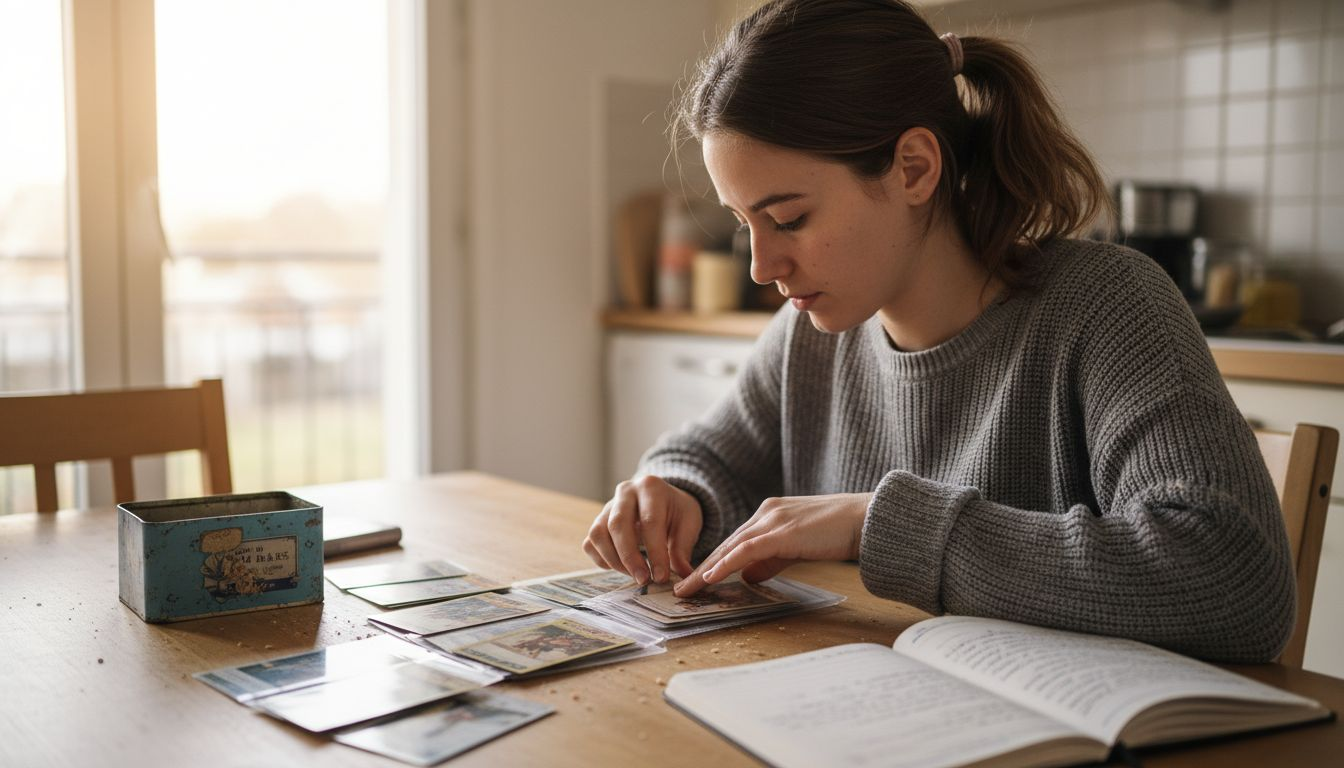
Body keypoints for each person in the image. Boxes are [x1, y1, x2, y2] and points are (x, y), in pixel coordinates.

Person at [582, 0, 1294, 663]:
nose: (764, 266)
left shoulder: (1107, 306)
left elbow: (1237, 583)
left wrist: (878, 524)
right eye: (746, 226)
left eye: (790, 218)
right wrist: (674, 492)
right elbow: (709, 457)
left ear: (914, 168)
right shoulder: (813, 334)